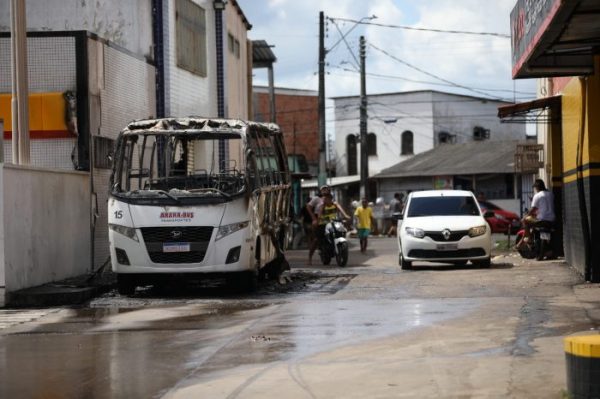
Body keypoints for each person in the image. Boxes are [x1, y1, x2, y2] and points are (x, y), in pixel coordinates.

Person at [516, 179, 556, 250]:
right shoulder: (551, 194)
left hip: (541, 220)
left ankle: (528, 239)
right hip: (552, 219)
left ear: (537, 187)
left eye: (535, 187)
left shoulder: (537, 195)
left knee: (526, 221)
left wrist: (525, 217)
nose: (535, 189)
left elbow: (533, 209)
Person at [306, 185, 332, 264]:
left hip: (329, 220)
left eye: (326, 189)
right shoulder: (316, 199)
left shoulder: (330, 199)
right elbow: (308, 207)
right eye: (323, 189)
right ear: (320, 191)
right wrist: (314, 218)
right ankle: (310, 257)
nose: (325, 190)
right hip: (319, 220)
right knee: (316, 239)